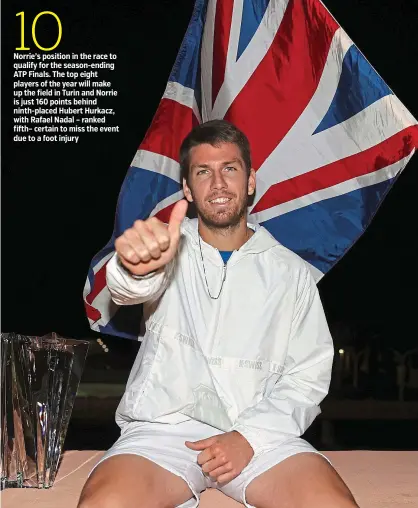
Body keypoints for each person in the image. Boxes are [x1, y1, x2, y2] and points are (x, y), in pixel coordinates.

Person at [78, 120, 358, 508]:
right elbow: (132, 288)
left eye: (230, 168)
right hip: (163, 431)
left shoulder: (290, 272)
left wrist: (249, 437)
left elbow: (306, 377)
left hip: (260, 433)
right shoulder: (169, 248)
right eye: (203, 172)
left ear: (250, 181)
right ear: (189, 190)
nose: (219, 183)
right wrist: (134, 270)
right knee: (104, 505)